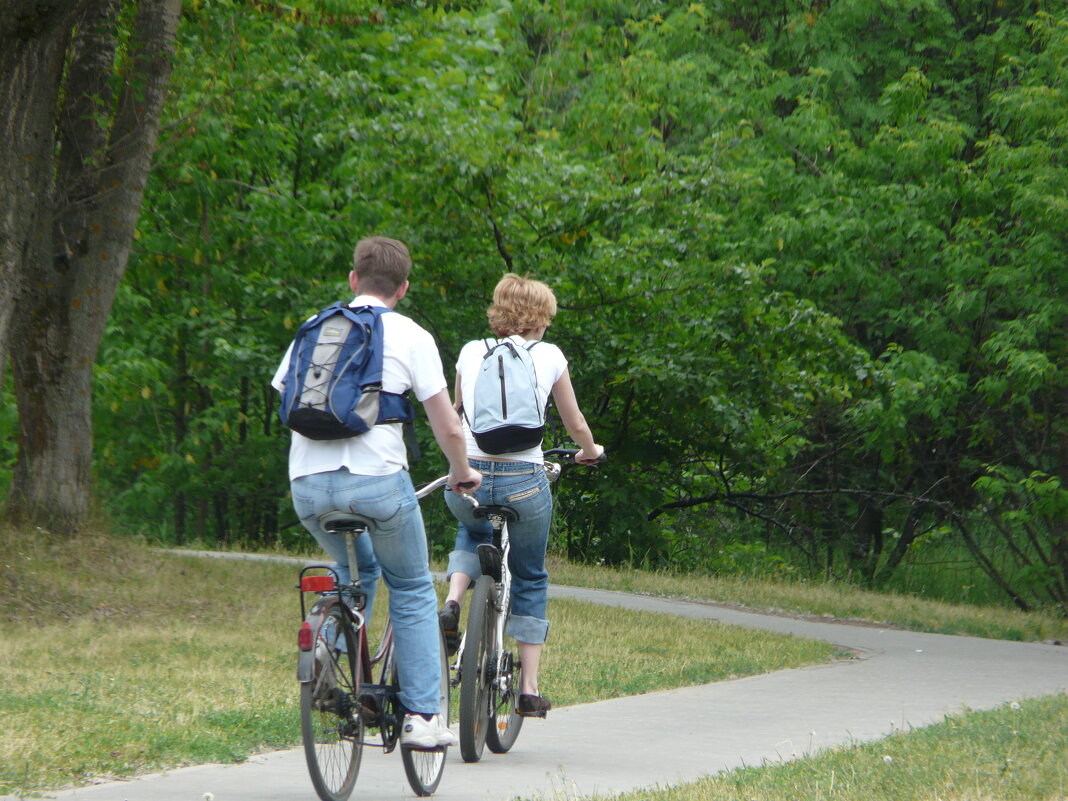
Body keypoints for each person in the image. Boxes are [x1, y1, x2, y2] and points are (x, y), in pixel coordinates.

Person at [272, 236, 481, 748]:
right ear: (403, 288)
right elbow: (449, 426)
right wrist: (462, 472)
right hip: (378, 483)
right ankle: (423, 719)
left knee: (354, 571)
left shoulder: (313, 329)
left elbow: (285, 395)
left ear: (352, 280)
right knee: (409, 587)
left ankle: (325, 643)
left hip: (308, 488)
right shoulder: (411, 335)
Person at [439, 273, 603, 719]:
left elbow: (455, 413)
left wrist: (464, 464)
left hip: (469, 475)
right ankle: (529, 688)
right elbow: (575, 424)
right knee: (529, 574)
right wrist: (590, 452)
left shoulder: (472, 351)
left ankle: (454, 601)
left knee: (470, 534)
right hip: (524, 480)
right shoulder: (548, 355)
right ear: (540, 317)